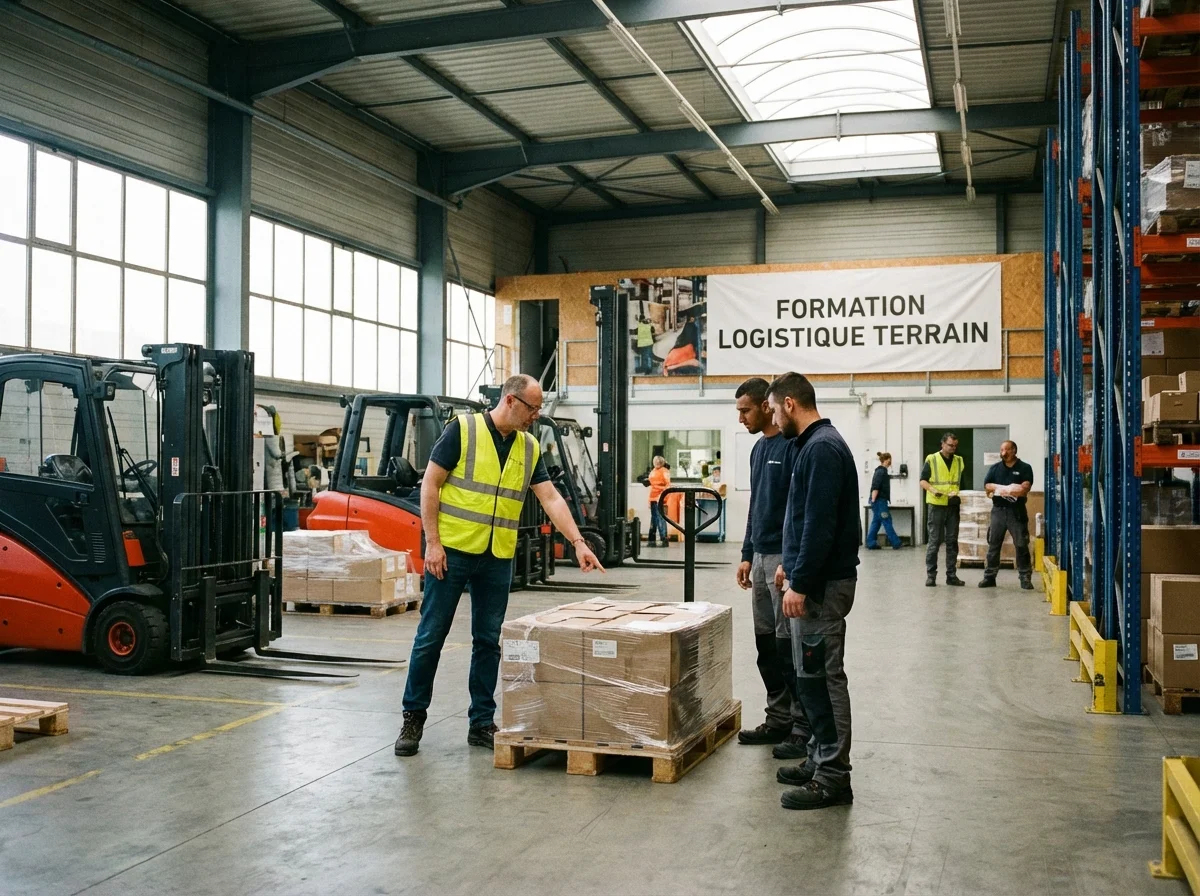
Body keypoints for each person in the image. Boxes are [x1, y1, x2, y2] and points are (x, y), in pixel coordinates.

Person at [395, 375, 605, 757]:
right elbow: (431, 485)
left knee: (489, 642)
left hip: (497, 556)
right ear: (511, 400)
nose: (536, 417)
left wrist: (578, 541)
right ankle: (413, 717)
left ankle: (480, 722)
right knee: (431, 637)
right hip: (453, 552)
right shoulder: (463, 430)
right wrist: (433, 543)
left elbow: (551, 498)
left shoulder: (529, 446)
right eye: (533, 408)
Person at [767, 372, 860, 811]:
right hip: (812, 581)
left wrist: (801, 581)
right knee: (810, 678)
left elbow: (821, 526)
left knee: (822, 679)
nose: (770, 417)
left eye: (770, 408)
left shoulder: (822, 448)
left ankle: (833, 777)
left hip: (822, 588)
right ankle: (818, 757)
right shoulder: (811, 446)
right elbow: (802, 520)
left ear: (789, 404)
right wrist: (790, 563)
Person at [733, 377, 805, 757]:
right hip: (760, 557)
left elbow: (796, 509)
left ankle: (799, 724)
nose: (741, 418)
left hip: (782, 558)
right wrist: (747, 553)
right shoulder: (759, 449)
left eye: (745, 410)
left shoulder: (793, 447)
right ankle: (777, 718)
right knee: (765, 644)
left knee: (786, 644)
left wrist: (790, 563)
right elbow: (756, 506)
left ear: (766, 406)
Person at [978, 440, 1035, 590]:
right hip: (998, 511)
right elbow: (987, 486)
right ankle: (989, 577)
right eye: (1002, 449)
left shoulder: (1024, 468)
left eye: (1007, 450)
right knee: (993, 544)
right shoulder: (995, 468)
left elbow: (1024, 489)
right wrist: (1007, 488)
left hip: (1016, 512)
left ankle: (1025, 577)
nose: (1004, 452)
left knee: (1021, 544)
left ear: (1014, 450)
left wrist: (1006, 490)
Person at [920, 433, 966, 587]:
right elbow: (923, 481)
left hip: (953, 505)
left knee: (952, 542)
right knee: (934, 541)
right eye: (950, 445)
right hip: (936, 505)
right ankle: (931, 576)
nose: (953, 448)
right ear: (942, 444)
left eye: (955, 446)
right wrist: (933, 490)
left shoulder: (959, 461)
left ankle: (951, 576)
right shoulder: (932, 459)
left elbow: (961, 483)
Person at [865, 452, 903, 550]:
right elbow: (875, 486)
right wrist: (873, 500)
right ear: (886, 460)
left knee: (876, 522)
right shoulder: (881, 472)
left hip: (878, 500)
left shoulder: (881, 471)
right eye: (889, 460)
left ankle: (871, 543)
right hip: (879, 501)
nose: (890, 463)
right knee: (886, 520)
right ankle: (896, 542)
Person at [646, 455, 670, 547]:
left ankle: (664, 538)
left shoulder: (664, 471)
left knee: (660, 518)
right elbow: (652, 485)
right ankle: (652, 538)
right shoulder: (654, 471)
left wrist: (662, 496)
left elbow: (667, 485)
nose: (656, 463)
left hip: (660, 498)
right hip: (653, 497)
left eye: (658, 461)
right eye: (655, 461)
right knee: (654, 518)